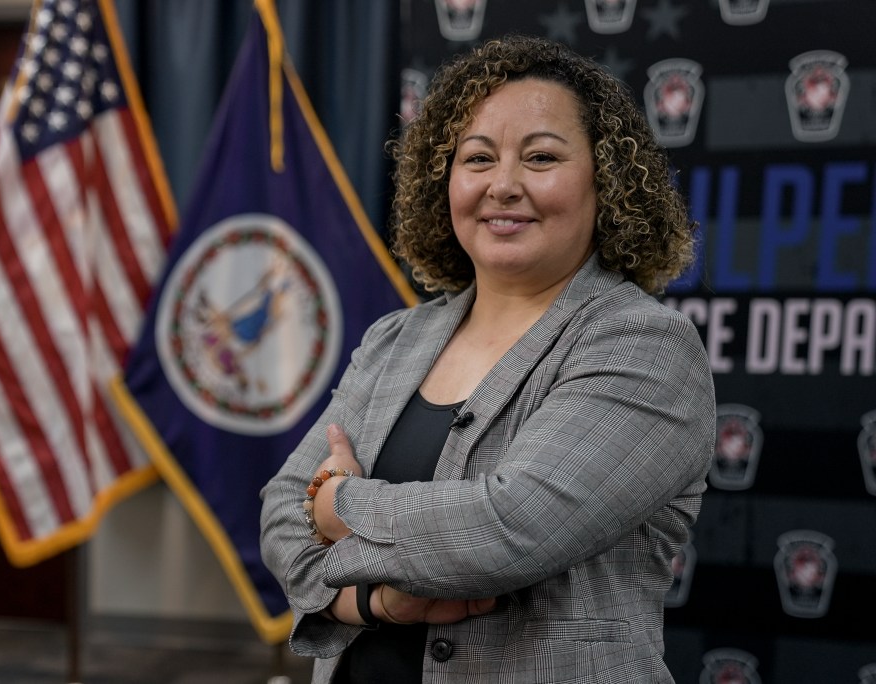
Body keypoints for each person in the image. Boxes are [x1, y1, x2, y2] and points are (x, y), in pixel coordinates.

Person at [260, 33, 715, 684]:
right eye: (477, 158)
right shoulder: (397, 339)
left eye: (540, 157)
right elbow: (282, 510)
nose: (503, 185)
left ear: (605, 181)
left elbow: (507, 533)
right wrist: (373, 602)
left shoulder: (642, 345)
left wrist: (339, 505)